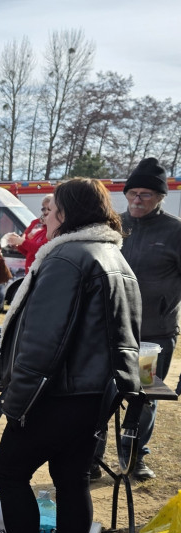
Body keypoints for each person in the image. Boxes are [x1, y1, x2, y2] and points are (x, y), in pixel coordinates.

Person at [0, 178, 141, 533]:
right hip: (93, 396)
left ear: (67, 215)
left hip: (58, 394)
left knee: (8, 470)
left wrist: (18, 402)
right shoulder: (114, 257)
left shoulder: (68, 257)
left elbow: (42, 341)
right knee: (71, 481)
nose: (44, 220)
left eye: (50, 213)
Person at [114, 158, 181, 481]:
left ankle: (134, 457)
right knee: (99, 393)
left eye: (146, 195)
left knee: (145, 396)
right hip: (110, 331)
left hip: (154, 335)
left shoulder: (175, 231)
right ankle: (92, 455)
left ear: (159, 198)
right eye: (133, 194)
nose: (137, 200)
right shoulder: (114, 225)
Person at [4, 193, 52, 274]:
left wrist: (21, 242)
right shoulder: (37, 225)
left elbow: (40, 250)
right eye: (44, 209)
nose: (46, 212)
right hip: (30, 272)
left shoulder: (52, 230)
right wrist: (18, 245)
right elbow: (28, 251)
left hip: (41, 272)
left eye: (49, 209)